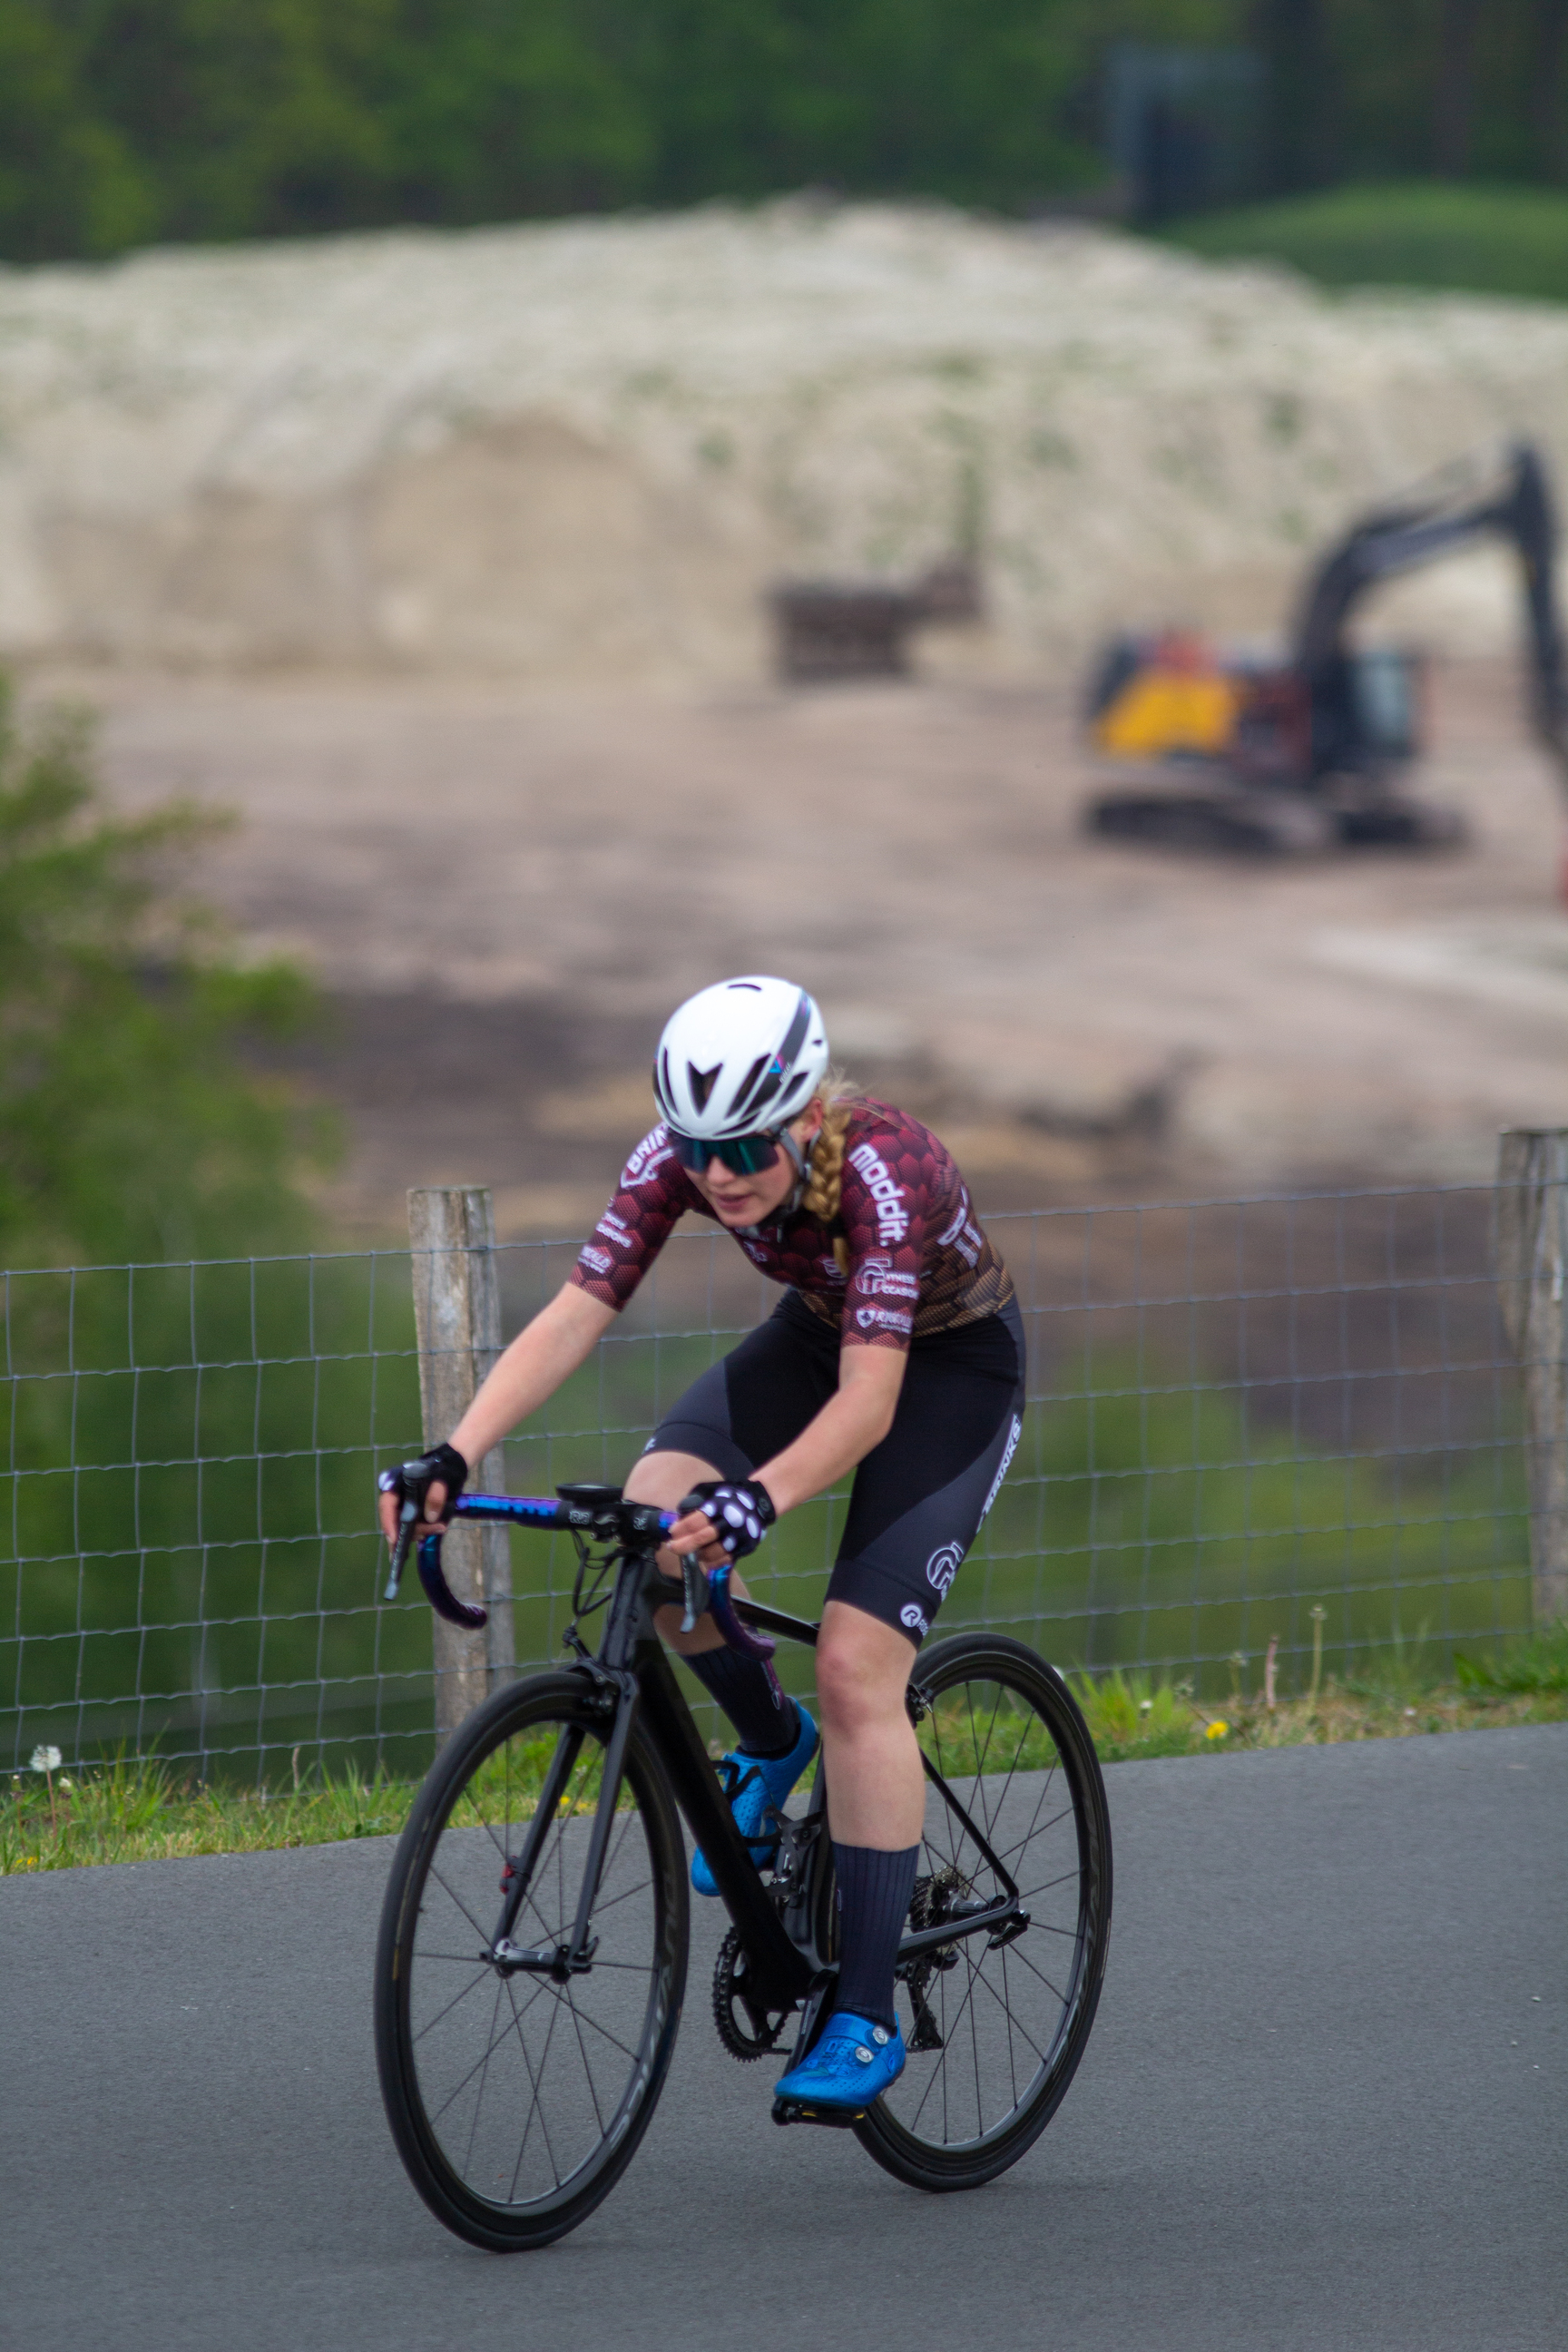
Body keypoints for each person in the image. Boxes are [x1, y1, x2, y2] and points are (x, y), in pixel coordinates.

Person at [377, 975, 1024, 2113]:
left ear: (806, 1114)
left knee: (856, 1666)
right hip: (818, 1340)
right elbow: (580, 1305)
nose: (721, 1176)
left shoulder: (882, 1167)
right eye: (700, 1149)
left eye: (747, 1150)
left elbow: (873, 1406)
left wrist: (759, 1500)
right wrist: (456, 1454)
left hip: (946, 1378)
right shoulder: (683, 1155)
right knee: (656, 1525)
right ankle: (773, 1746)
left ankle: (864, 2011)